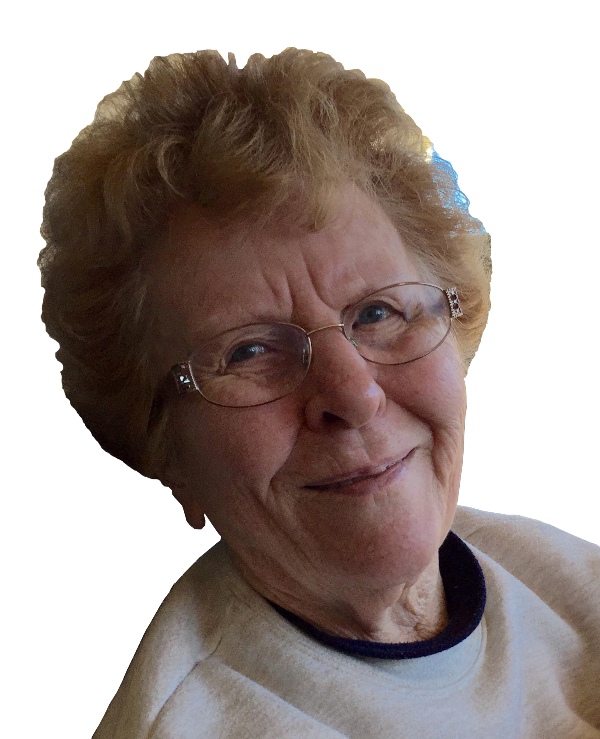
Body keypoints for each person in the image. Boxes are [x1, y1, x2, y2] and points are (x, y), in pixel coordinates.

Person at [39, 48, 600, 738]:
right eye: (249, 351)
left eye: (377, 312)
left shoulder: (557, 575)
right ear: (162, 445)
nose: (354, 394)